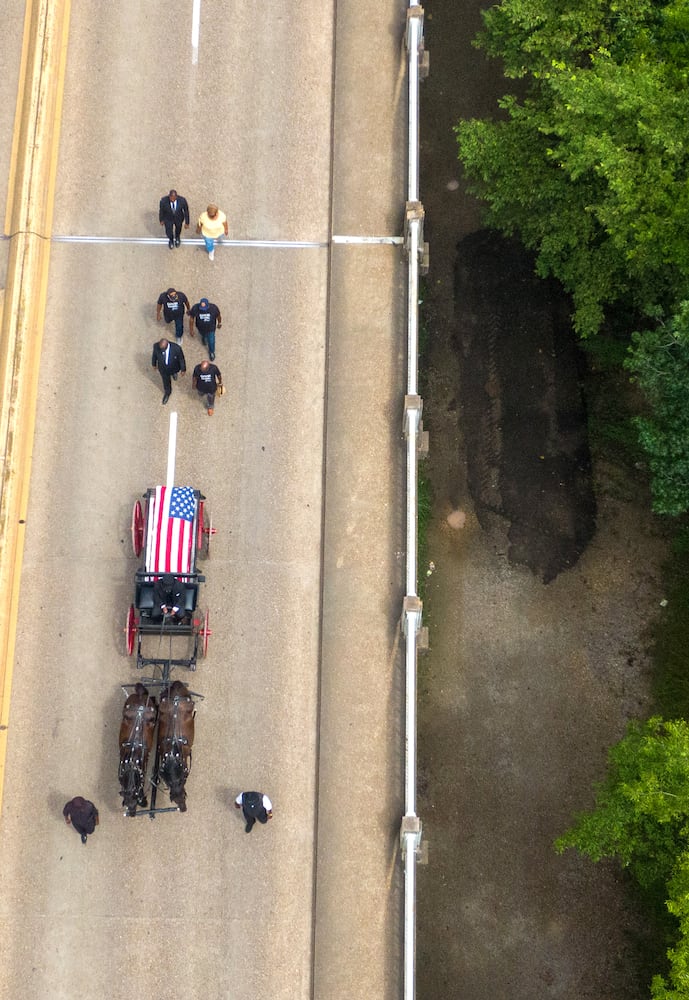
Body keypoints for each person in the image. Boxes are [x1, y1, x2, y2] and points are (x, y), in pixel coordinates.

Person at [151, 337, 186, 404]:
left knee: (174, 372)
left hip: (174, 367)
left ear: (167, 346)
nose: (162, 351)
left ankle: (174, 374)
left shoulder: (176, 348)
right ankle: (167, 393)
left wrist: (183, 369)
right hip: (163, 369)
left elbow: (181, 359)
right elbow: (154, 355)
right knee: (166, 382)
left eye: (163, 349)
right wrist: (154, 364)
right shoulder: (156, 346)